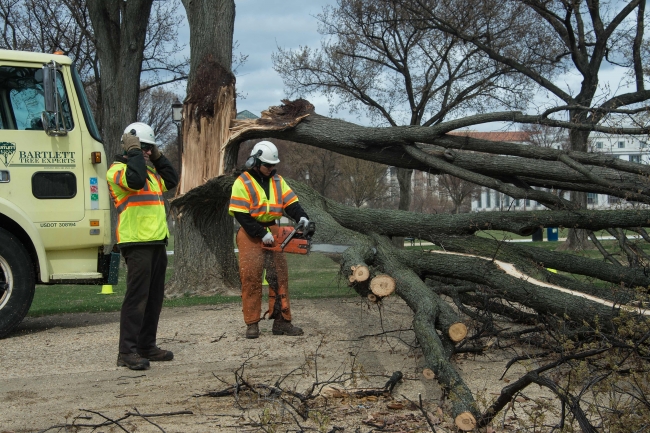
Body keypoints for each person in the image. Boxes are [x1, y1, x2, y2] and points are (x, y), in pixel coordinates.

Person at [106, 122, 179, 370]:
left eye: (149, 148)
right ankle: (127, 351)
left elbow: (171, 178)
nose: (146, 152)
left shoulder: (149, 173)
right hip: (135, 242)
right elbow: (134, 182)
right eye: (142, 147)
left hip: (156, 242)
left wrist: (157, 155)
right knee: (137, 298)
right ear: (128, 146)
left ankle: (147, 345)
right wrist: (135, 152)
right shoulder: (117, 170)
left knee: (154, 298)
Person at [229, 141, 310, 339]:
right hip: (250, 232)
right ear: (255, 162)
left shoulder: (278, 181)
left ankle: (282, 321)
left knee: (279, 276)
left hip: (273, 229)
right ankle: (252, 323)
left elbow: (291, 204)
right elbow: (241, 215)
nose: (271, 168)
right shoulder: (243, 182)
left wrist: (301, 216)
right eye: (267, 165)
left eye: (273, 165)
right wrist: (259, 232)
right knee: (251, 278)